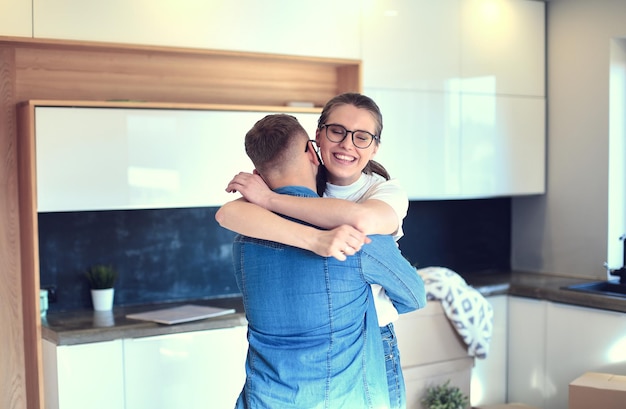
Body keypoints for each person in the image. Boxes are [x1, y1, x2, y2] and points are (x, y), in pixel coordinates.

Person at [216, 93, 411, 409]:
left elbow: (361, 220)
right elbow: (228, 214)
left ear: (375, 147)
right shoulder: (305, 178)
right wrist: (316, 240)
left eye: (362, 137)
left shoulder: (384, 191)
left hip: (370, 338)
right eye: (337, 131)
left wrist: (269, 200)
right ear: (316, 137)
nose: (347, 144)